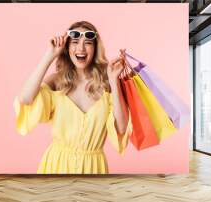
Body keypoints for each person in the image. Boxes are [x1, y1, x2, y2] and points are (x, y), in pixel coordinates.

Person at [13, 21, 132, 174]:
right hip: (56, 165)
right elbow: (25, 99)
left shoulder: (108, 84)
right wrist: (49, 56)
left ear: (95, 49)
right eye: (75, 42)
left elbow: (122, 127)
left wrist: (114, 80)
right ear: (67, 48)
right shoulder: (57, 81)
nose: (81, 48)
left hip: (93, 168)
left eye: (88, 43)